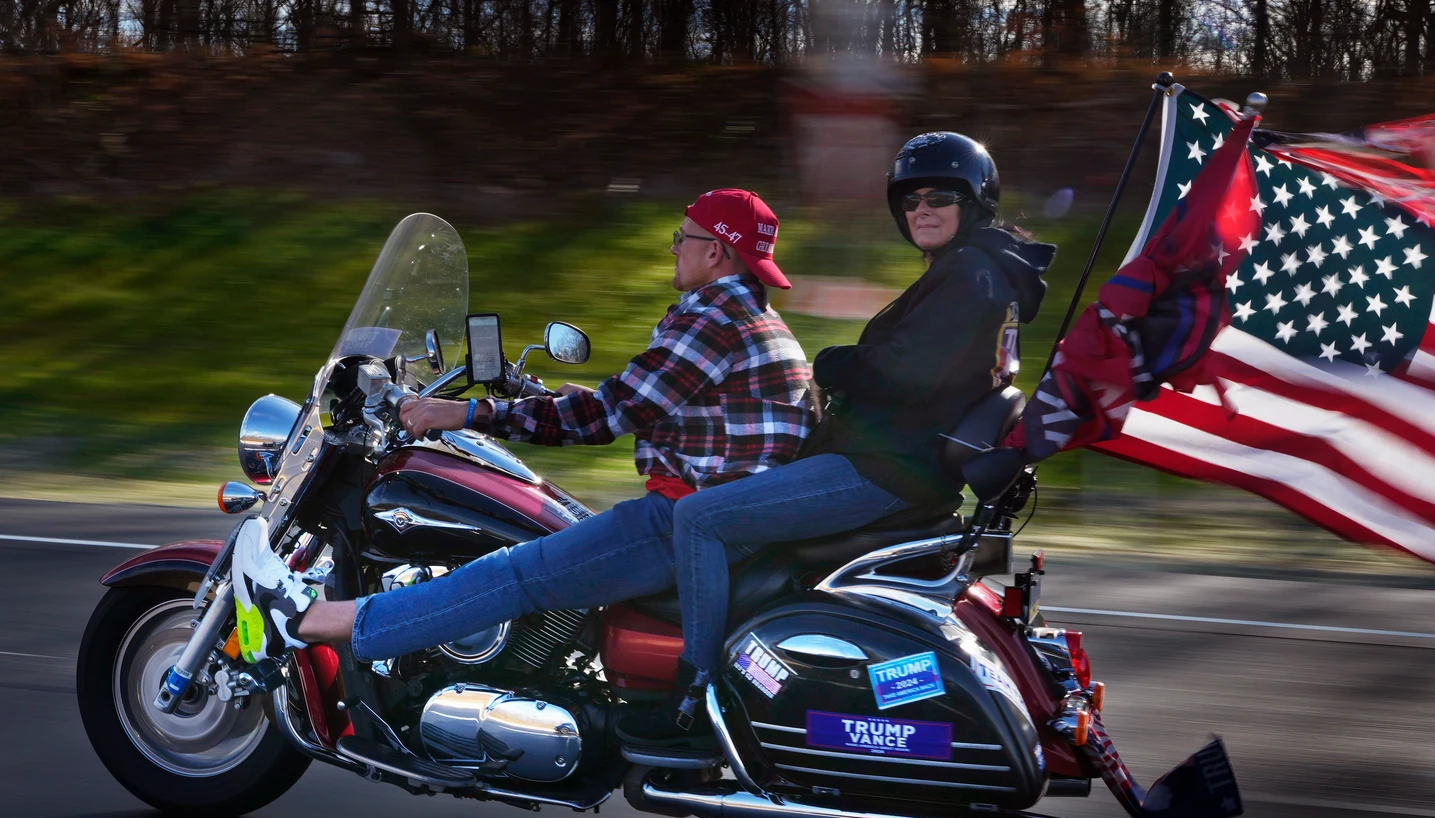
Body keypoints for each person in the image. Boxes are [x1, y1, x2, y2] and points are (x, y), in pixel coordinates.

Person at [228, 189, 814, 723]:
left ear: (715, 251)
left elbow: (603, 419)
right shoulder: (755, 319)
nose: (673, 247)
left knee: (508, 573)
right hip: (730, 517)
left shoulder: (711, 318)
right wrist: (554, 399)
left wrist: (465, 413)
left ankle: (304, 621)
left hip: (686, 521)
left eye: (683, 237)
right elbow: (675, 408)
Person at [667, 132, 1056, 729]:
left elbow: (909, 373)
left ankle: (694, 692)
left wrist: (831, 364)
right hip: (905, 464)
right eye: (910, 200)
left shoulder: (971, 274)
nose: (922, 210)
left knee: (698, 517)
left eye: (940, 197)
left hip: (887, 471)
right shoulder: (982, 270)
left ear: (975, 202)